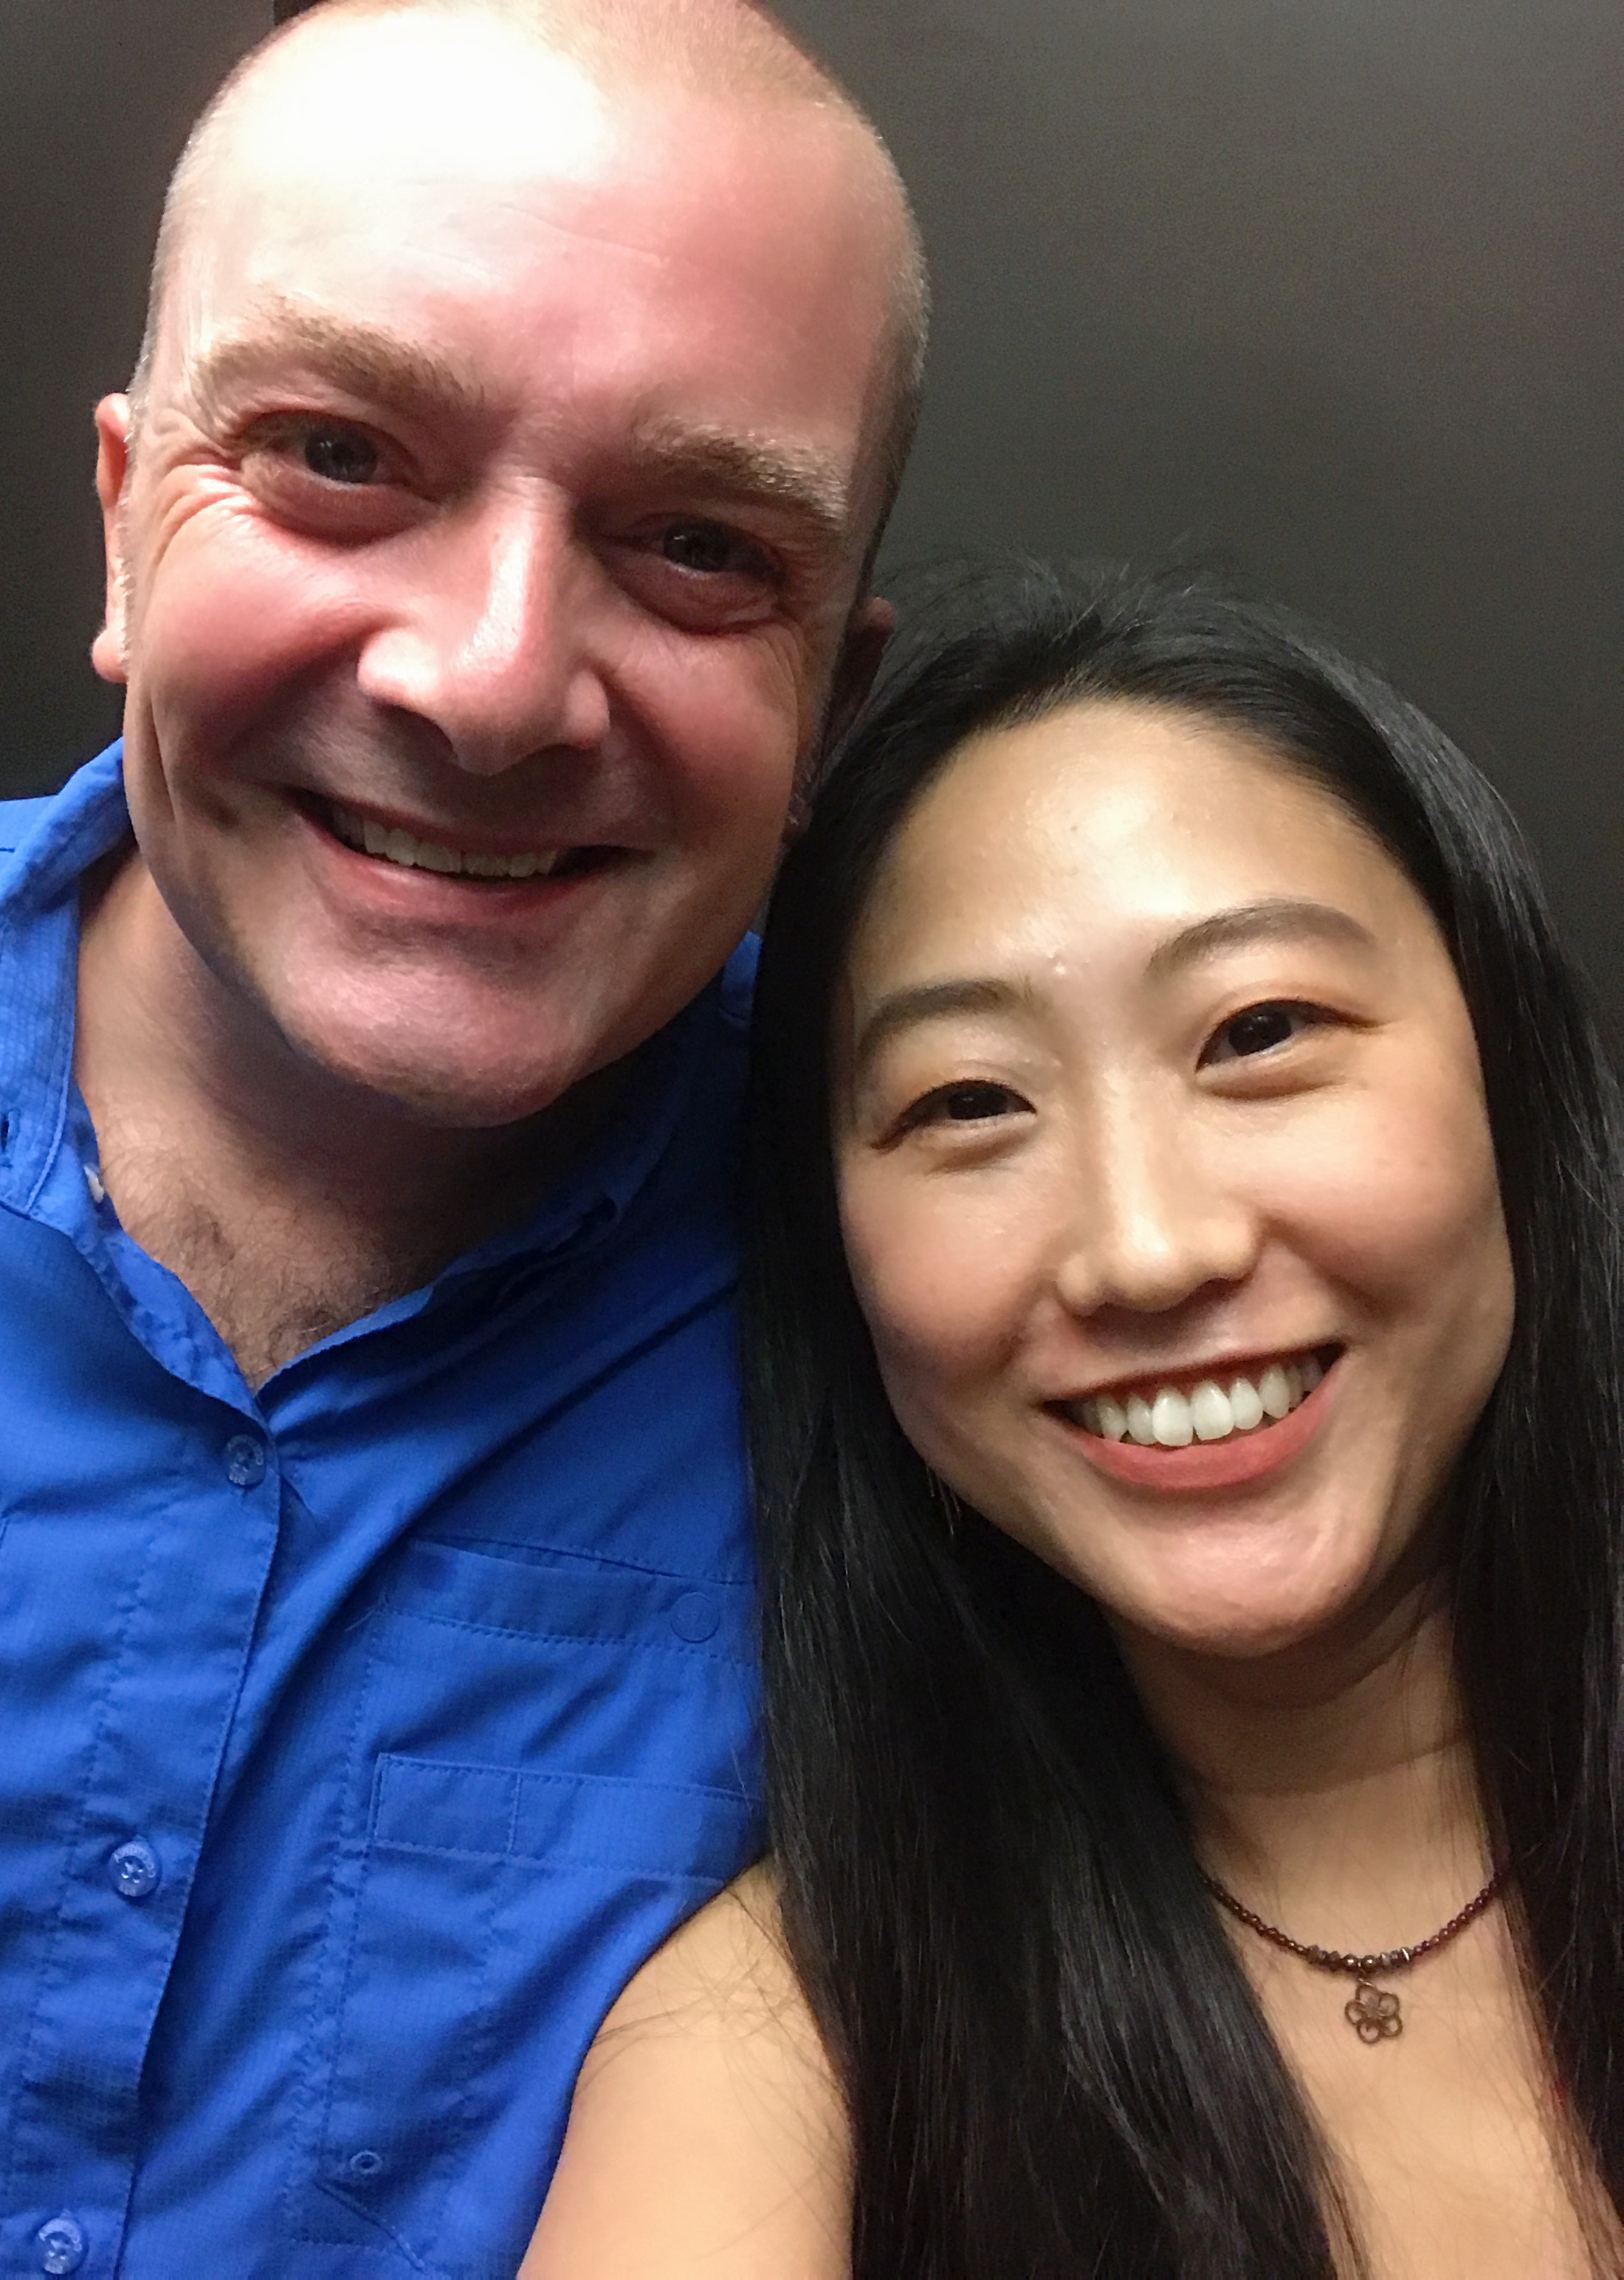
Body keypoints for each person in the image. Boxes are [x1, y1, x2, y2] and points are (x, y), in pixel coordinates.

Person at [0, 0, 923, 2267]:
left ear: (828, 709)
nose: (486, 682)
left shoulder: (951, 1294)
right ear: (122, 527)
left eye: (698, 543)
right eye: (336, 454)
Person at [524, 569, 1624, 2278]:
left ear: (1511, 1080)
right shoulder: (776, 2055)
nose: (1145, 1247)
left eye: (1258, 1030)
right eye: (967, 1100)